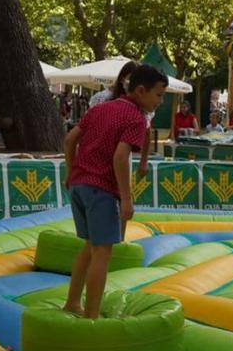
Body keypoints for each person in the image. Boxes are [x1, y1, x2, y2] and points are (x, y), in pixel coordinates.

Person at [62, 65, 167, 318]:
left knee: (89, 246)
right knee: (102, 251)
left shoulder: (100, 109)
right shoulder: (135, 117)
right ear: (140, 91)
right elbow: (121, 157)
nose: (160, 101)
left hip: (79, 185)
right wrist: (127, 199)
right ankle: (92, 314)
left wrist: (70, 171)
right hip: (101, 189)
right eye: (159, 95)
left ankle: (73, 301)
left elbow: (69, 140)